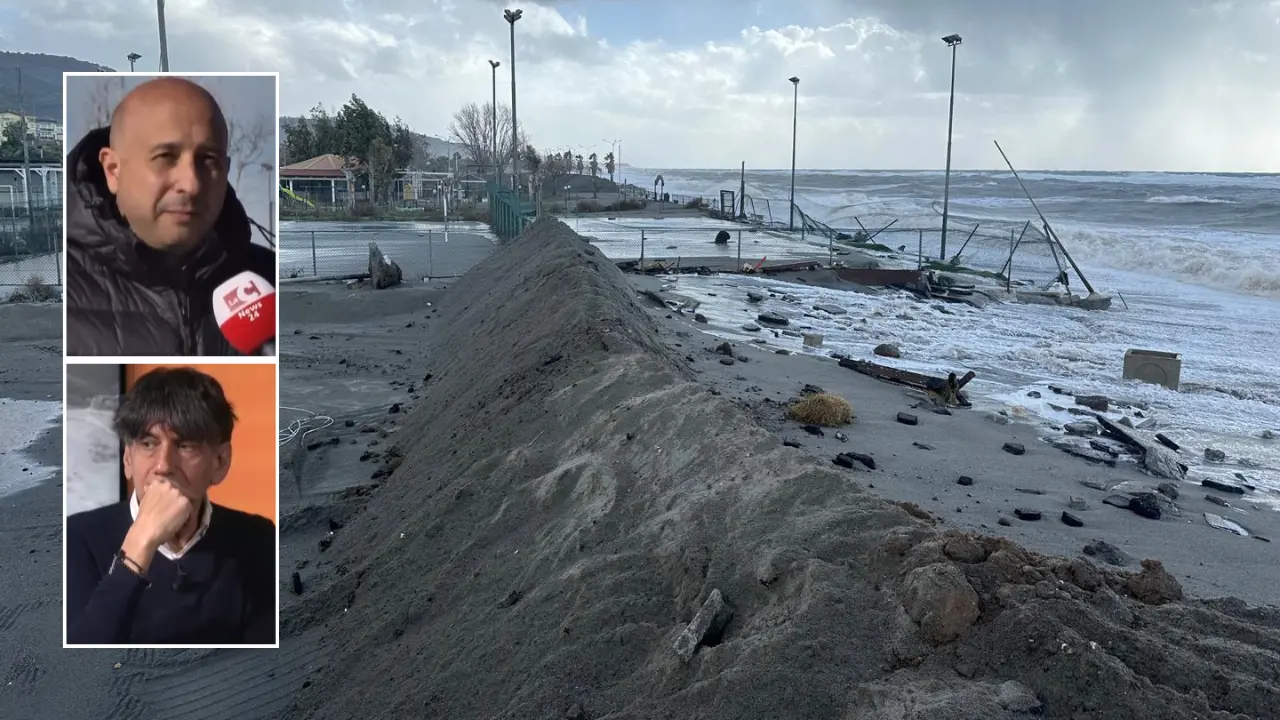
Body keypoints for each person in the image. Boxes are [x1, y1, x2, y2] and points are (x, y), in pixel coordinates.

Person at [64, 77, 275, 356]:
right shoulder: (67, 290)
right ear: (113, 170)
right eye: (166, 156)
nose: (191, 184)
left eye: (208, 159)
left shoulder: (266, 276)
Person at [66, 367, 276, 645]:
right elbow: (77, 666)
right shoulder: (77, 537)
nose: (163, 465)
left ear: (220, 461)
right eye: (148, 444)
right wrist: (141, 543)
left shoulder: (258, 538)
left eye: (185, 446)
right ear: (128, 459)